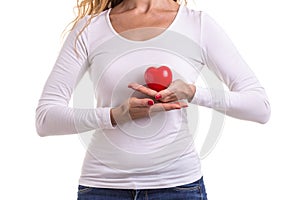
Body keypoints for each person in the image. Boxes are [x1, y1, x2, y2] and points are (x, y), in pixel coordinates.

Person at [35, 0, 271, 199]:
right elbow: (45, 118)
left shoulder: (197, 25)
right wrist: (115, 115)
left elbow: (259, 107)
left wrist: (192, 92)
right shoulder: (90, 28)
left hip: (179, 187)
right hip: (103, 188)